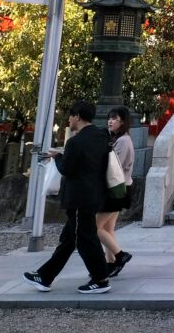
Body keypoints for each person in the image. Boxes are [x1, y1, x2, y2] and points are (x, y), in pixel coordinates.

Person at [22, 100, 111, 294]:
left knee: (85, 238)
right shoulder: (102, 136)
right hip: (95, 193)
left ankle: (101, 278)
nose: (69, 119)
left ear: (77, 116)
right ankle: (45, 276)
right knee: (69, 239)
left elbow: (66, 169)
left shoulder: (75, 142)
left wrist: (57, 156)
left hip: (79, 197)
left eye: (70, 115)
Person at [97, 105, 135, 277]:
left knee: (94, 227)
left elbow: (113, 167)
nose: (110, 121)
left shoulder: (123, 141)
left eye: (115, 118)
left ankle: (120, 255)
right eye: (110, 118)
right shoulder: (120, 140)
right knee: (108, 228)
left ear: (123, 122)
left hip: (116, 190)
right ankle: (110, 262)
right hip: (120, 189)